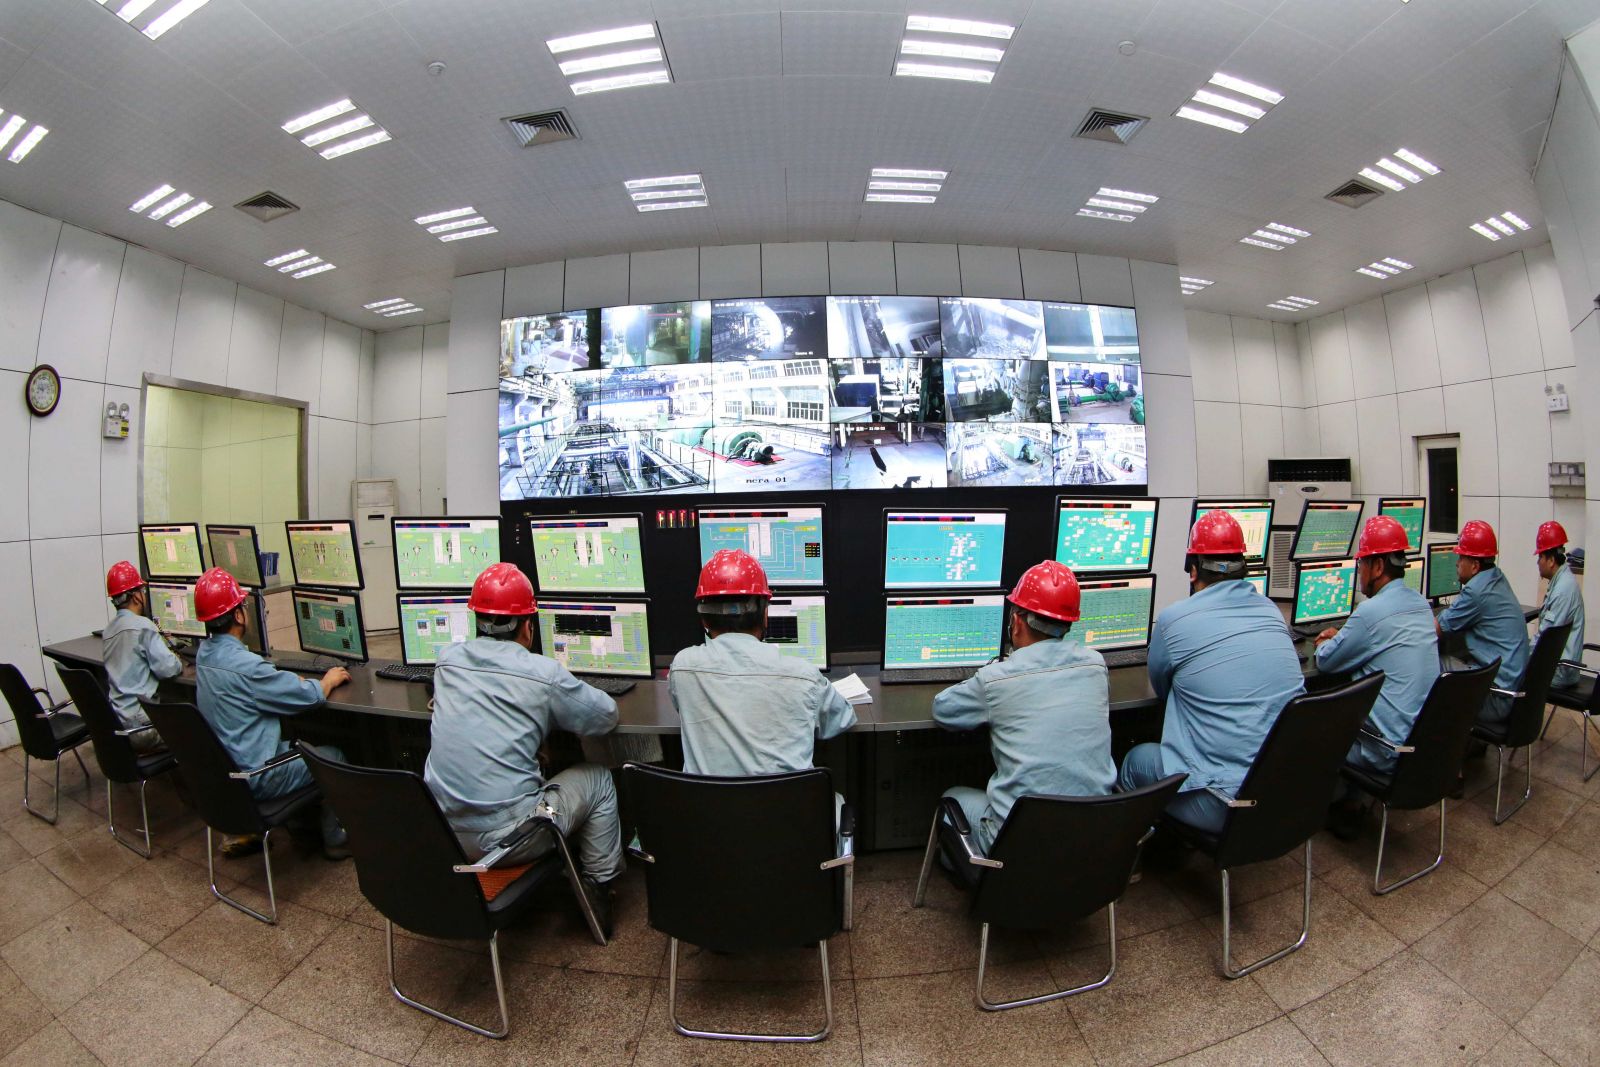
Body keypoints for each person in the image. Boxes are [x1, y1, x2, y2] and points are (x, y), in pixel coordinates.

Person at [423, 562, 623, 933]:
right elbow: (605, 717)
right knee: (598, 779)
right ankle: (597, 887)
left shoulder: (447, 661)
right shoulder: (542, 674)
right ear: (528, 626)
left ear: (477, 619)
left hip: (442, 832)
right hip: (510, 840)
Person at [1118, 510, 1304, 833]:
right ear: (1244, 566)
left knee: (1136, 759)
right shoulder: (1272, 611)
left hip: (1226, 805)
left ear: (1193, 570)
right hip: (1287, 792)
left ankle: (1140, 853)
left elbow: (1163, 689)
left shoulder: (1173, 620)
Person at [932, 560, 1114, 854]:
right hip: (1092, 835)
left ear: (1016, 622)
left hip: (1019, 842)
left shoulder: (996, 679)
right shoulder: (1096, 665)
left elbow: (943, 710)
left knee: (951, 797)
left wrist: (983, 678)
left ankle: (971, 869)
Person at [192, 568, 352, 860]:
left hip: (226, 774)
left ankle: (303, 829)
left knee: (296, 742)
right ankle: (336, 840)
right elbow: (309, 697)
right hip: (256, 775)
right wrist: (327, 680)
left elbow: (258, 685)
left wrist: (282, 682)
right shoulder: (246, 667)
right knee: (333, 756)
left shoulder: (204, 656)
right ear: (239, 615)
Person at [669, 550, 856, 784]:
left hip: (706, 807)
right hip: (789, 807)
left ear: (704, 619)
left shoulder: (682, 668)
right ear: (765, 614)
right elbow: (841, 720)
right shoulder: (804, 676)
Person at [1314, 517, 1440, 838]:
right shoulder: (1421, 605)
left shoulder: (1370, 613)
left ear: (1379, 566)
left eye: (1362, 564)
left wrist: (1328, 640)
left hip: (1387, 752)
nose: (1359, 571)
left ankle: (1332, 806)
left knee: (1316, 727)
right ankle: (1350, 802)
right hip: (1424, 746)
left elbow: (1326, 662)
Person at [1436, 520, 1528, 727]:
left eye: (1461, 557)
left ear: (1475, 566)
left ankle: (1435, 739)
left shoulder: (1476, 591)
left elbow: (1436, 629)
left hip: (1495, 700)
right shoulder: (1497, 578)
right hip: (1513, 693)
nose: (1457, 563)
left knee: (1434, 663)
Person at [100, 561, 182, 755]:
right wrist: (175, 655)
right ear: (136, 596)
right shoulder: (143, 626)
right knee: (195, 728)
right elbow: (169, 669)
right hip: (142, 729)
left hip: (118, 724)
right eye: (142, 591)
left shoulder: (108, 631)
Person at [1534, 521, 1586, 691]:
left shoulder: (1563, 590)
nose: (1538, 562)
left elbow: (1545, 639)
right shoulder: (1562, 580)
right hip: (1561, 666)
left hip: (1559, 672)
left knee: (1509, 673)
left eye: (1540, 557)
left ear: (1550, 560)